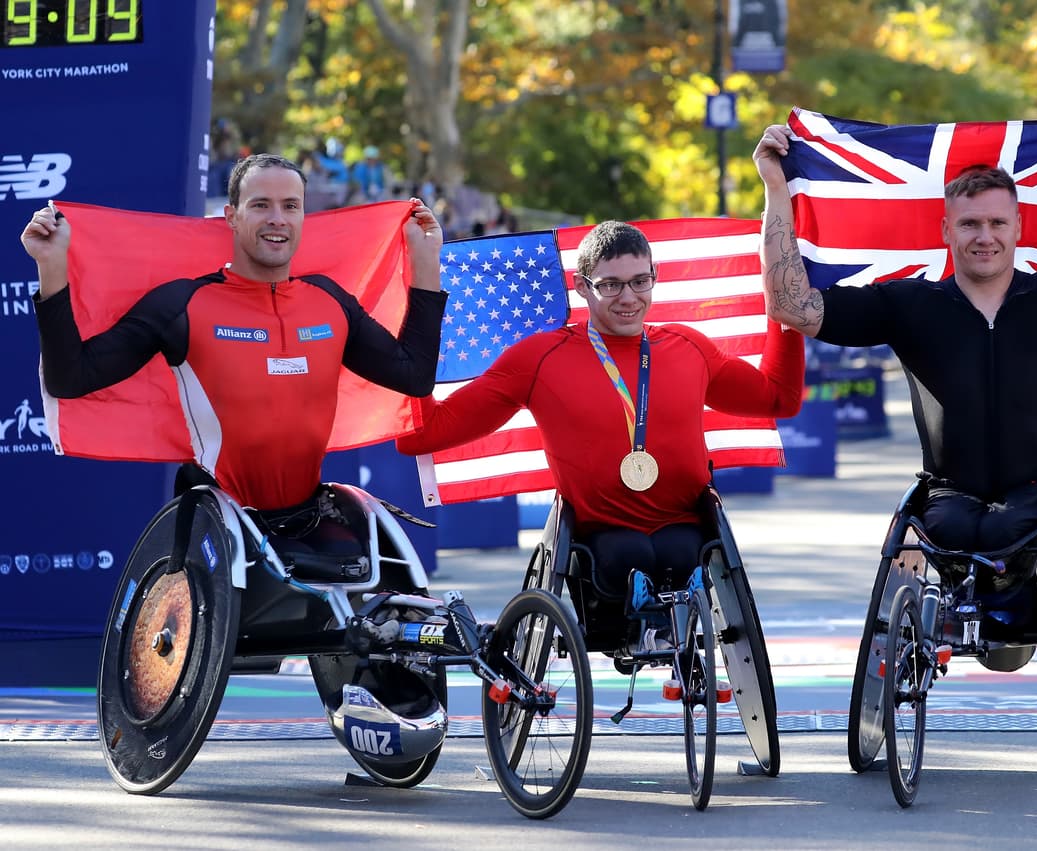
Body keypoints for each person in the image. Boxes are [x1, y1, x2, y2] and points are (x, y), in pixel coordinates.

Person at [752, 101, 1037, 559]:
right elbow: (793, 306)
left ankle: (1011, 615)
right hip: (948, 494)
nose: (984, 236)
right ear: (946, 230)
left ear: (1018, 229)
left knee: (1004, 531)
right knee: (956, 531)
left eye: (997, 223)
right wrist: (776, 189)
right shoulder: (908, 304)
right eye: (970, 224)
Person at [395, 220, 806, 653]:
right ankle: (639, 631)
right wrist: (418, 317)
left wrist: (788, 313)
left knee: (681, 552)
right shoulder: (539, 358)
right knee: (627, 556)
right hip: (599, 539)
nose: (628, 297)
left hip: (684, 526)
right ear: (581, 286)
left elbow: (779, 398)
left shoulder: (689, 347)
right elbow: (422, 436)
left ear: (655, 277)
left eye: (639, 281)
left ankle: (663, 629)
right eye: (610, 285)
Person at [20, 153, 448, 562]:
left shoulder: (330, 301)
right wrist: (52, 267)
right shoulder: (181, 305)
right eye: (260, 205)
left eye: (290, 206)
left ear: (302, 217)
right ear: (231, 216)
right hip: (219, 525)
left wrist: (426, 264)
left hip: (310, 519)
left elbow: (412, 376)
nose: (277, 219)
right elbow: (71, 379)